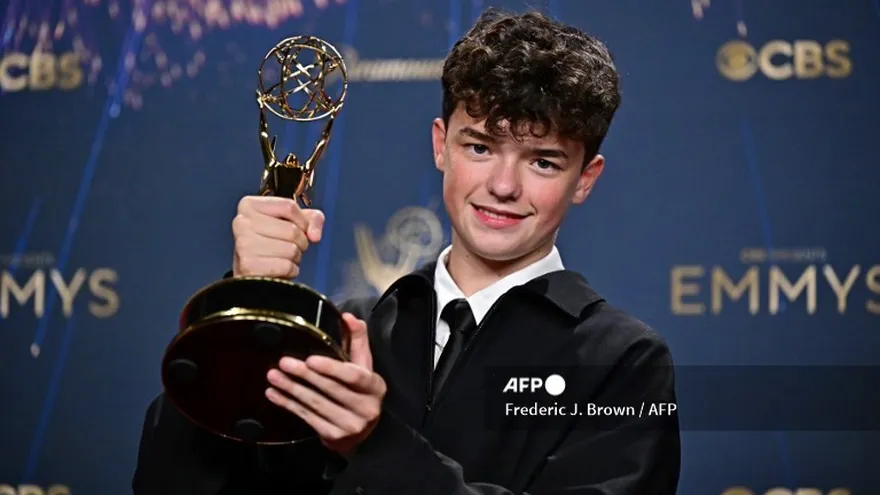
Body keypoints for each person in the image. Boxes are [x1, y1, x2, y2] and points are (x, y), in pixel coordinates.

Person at [133, 8, 681, 495]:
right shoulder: (345, 333)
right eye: (480, 147)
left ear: (585, 179)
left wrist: (373, 443)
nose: (504, 186)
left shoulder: (625, 362)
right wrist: (242, 302)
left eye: (543, 161)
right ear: (441, 144)